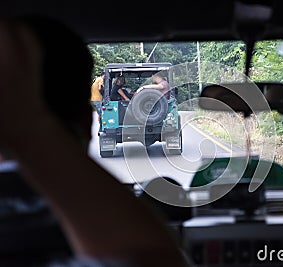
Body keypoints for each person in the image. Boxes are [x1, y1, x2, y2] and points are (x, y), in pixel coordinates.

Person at [0, 16, 189, 267]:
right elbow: (152, 258)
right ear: (84, 122)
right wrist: (32, 128)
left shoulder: (120, 92)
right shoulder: (122, 222)